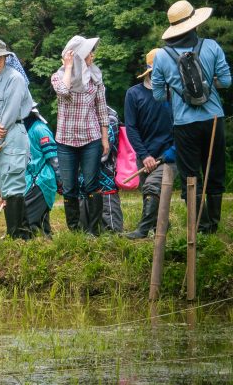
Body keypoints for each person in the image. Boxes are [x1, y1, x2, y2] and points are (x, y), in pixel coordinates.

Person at [151, 0, 231, 234]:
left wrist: (176, 90)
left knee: (190, 175)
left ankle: (200, 226)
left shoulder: (162, 56)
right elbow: (226, 81)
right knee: (214, 171)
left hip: (184, 123)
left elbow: (157, 95)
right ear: (195, 22)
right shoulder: (211, 46)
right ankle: (214, 226)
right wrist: (208, 85)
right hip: (214, 118)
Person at [51, 36, 109, 235]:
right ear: (77, 56)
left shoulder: (96, 77)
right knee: (69, 187)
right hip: (66, 141)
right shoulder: (58, 76)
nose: (92, 54)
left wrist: (104, 138)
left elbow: (102, 108)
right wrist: (68, 67)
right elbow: (63, 90)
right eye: (88, 52)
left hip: (90, 138)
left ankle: (94, 231)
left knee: (92, 184)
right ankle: (74, 231)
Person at [0, 39, 34, 239]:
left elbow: (9, 115)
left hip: (14, 133)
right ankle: (22, 234)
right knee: (5, 185)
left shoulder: (15, 78)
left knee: (13, 184)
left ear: (5, 57)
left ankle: (17, 234)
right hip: (0, 134)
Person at [123, 49, 175, 239]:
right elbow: (131, 128)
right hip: (145, 155)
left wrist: (172, 151)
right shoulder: (134, 94)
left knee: (153, 187)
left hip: (168, 155)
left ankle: (143, 230)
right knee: (151, 192)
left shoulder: (174, 93)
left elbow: (181, 126)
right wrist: (144, 156)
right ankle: (162, 227)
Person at [23, 108, 58, 236]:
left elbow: (54, 158)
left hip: (42, 179)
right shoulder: (24, 130)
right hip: (29, 179)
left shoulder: (40, 129)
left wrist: (60, 180)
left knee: (27, 220)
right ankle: (46, 242)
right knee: (42, 223)